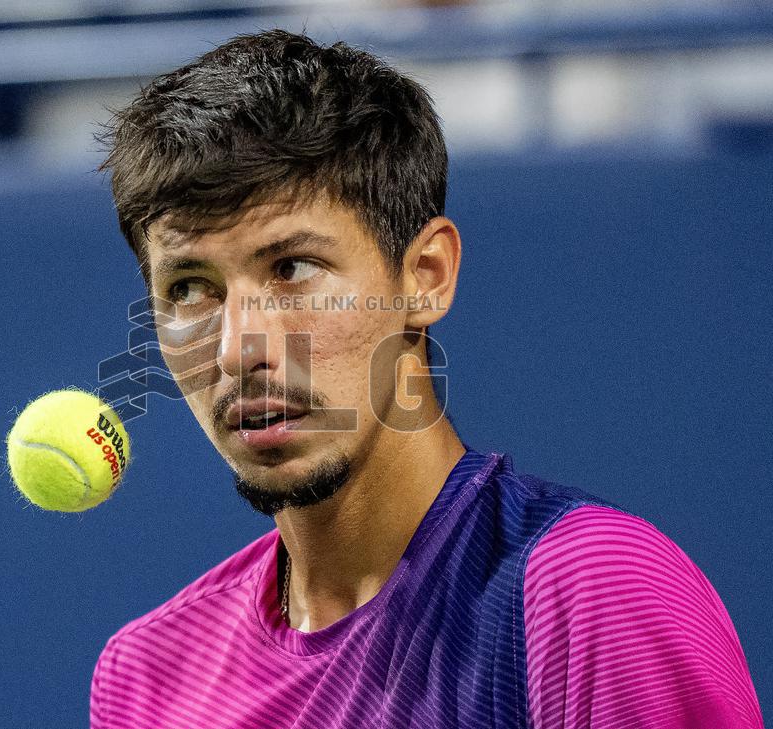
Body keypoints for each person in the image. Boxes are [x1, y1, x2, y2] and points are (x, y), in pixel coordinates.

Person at [90, 29, 763, 728]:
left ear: (425, 276)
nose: (236, 350)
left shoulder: (597, 592)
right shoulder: (146, 675)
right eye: (191, 289)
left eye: (292, 269)